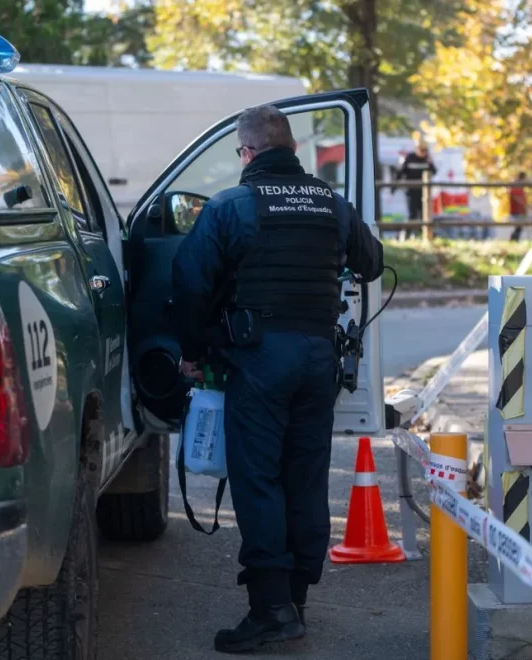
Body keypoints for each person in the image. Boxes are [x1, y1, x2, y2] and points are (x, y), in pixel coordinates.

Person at [171, 105, 384, 654]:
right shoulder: (330, 202)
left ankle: (270, 610)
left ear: (246, 153)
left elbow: (190, 283)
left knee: (258, 478)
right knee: (305, 475)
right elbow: (372, 263)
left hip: (259, 360)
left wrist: (193, 353)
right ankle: (296, 599)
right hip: (319, 359)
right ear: (291, 149)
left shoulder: (230, 206)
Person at [394, 139, 437, 236]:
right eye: (422, 150)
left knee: (424, 215)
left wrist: (431, 161)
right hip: (411, 191)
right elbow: (400, 173)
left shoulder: (427, 160)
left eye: (425, 151)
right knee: (412, 215)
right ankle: (405, 235)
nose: (423, 153)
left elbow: (434, 171)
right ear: (416, 149)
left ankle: (425, 235)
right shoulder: (409, 158)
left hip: (423, 192)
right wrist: (394, 188)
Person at [509, 171, 528, 240]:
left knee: (519, 228)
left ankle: (515, 240)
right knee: (518, 227)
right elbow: (514, 196)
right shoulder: (516, 186)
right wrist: (522, 203)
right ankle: (513, 239)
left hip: (520, 210)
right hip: (516, 210)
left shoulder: (521, 187)